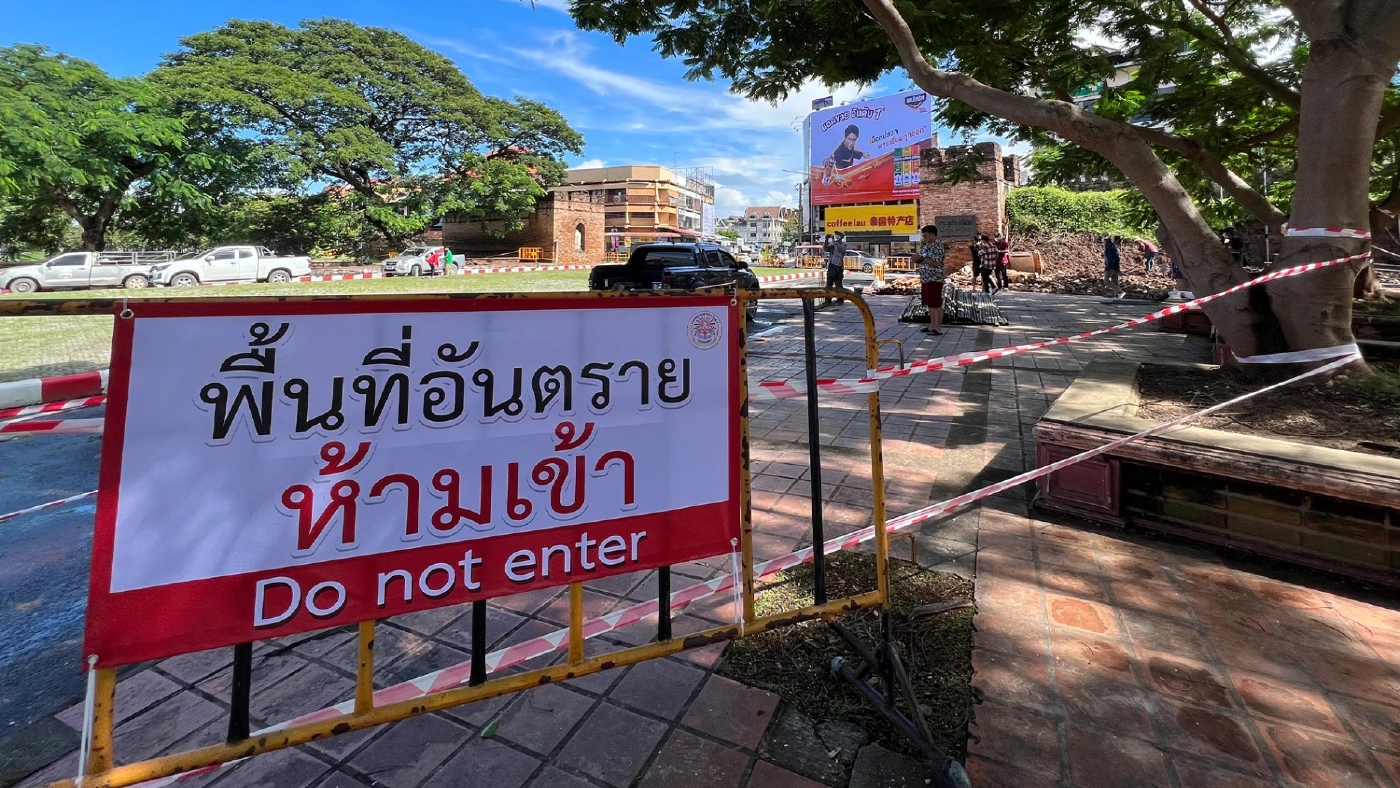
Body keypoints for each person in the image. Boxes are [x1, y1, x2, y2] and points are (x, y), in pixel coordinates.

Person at [912, 224, 947, 334]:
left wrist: (922, 258)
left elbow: (936, 263)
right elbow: (924, 259)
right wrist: (918, 259)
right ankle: (932, 325)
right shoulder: (926, 246)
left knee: (936, 304)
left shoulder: (938, 247)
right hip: (926, 279)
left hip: (934, 279)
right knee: (930, 304)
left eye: (926, 236)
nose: (924, 238)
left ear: (933, 235)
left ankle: (938, 327)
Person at [824, 232, 847, 305]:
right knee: (829, 284)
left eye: (838, 235)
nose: (836, 236)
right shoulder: (833, 244)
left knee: (838, 284)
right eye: (836, 234)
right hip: (832, 265)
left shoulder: (843, 245)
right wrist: (827, 239)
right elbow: (826, 248)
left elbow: (841, 250)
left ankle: (840, 299)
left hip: (838, 266)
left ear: (842, 237)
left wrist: (835, 242)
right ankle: (828, 300)